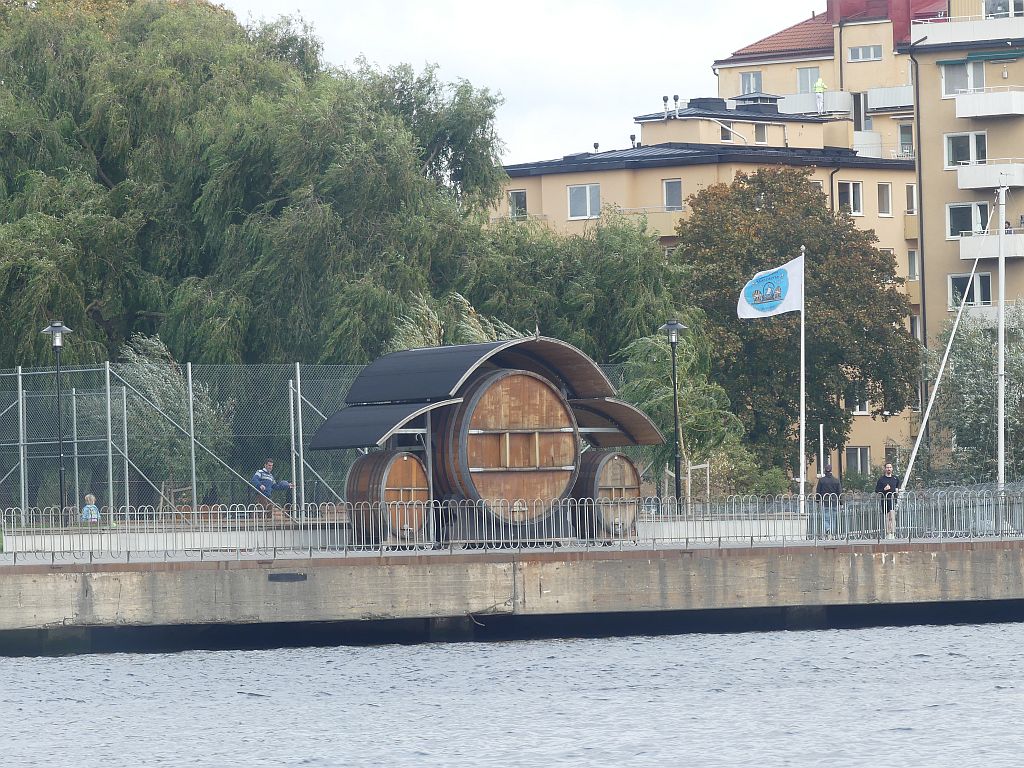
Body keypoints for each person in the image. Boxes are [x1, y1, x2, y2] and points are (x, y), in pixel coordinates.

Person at [815, 464, 842, 539]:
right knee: (833, 518)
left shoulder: (821, 480)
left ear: (825, 471)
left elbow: (818, 491)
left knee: (825, 518)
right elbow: (839, 492)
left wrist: (817, 501)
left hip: (825, 502)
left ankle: (828, 529)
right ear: (831, 470)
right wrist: (841, 503)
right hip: (834, 502)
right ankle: (832, 534)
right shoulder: (836, 480)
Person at [875, 463, 901, 539]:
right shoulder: (881, 479)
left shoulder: (895, 478)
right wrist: (884, 489)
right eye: (887, 467)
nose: (889, 469)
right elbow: (877, 490)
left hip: (893, 499)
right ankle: (888, 533)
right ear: (885, 469)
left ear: (892, 469)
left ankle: (893, 533)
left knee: (892, 517)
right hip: (885, 500)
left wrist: (897, 491)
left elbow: (897, 487)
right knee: (887, 517)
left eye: (890, 467)